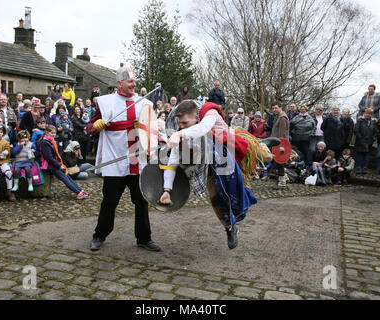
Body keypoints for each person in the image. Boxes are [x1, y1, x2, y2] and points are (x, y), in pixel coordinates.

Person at [159, 100, 259, 249]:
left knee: (264, 154)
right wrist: (167, 190)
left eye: (185, 123)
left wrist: (180, 133)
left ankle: (264, 145)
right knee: (216, 199)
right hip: (210, 165)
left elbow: (204, 128)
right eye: (180, 124)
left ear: (196, 117)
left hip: (232, 149)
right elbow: (172, 163)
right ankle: (230, 227)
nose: (181, 126)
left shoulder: (209, 112)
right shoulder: (182, 135)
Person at [88, 64, 161, 253]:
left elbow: (153, 133)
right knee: (109, 200)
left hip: (137, 160)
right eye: (130, 81)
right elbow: (88, 127)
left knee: (141, 201)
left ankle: (144, 238)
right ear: (119, 83)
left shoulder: (145, 103)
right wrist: (95, 126)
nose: (133, 84)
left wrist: (144, 127)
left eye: (135, 81)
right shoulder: (105, 103)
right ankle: (99, 235)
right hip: (116, 159)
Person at [37, 125, 91, 199]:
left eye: (54, 133)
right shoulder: (45, 143)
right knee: (65, 179)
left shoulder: (50, 142)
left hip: (55, 164)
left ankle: (80, 191)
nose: (53, 134)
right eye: (51, 133)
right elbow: (49, 158)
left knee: (67, 177)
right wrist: (59, 166)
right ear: (46, 132)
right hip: (51, 166)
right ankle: (79, 193)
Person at [270, 102, 290, 189]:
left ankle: (282, 182)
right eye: (273, 108)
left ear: (280, 108)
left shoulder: (282, 118)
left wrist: (281, 146)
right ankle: (285, 177)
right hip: (276, 143)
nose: (274, 110)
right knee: (277, 162)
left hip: (280, 144)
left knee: (280, 162)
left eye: (276, 108)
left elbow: (283, 133)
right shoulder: (278, 117)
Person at [354, 108, 377, 175]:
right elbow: (356, 130)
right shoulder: (360, 120)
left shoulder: (373, 122)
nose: (368, 115)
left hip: (369, 141)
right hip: (360, 141)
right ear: (364, 114)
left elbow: (375, 131)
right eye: (367, 113)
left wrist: (373, 138)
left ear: (371, 115)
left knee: (366, 155)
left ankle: (365, 167)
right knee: (359, 154)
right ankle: (358, 167)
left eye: (369, 113)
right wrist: (360, 138)